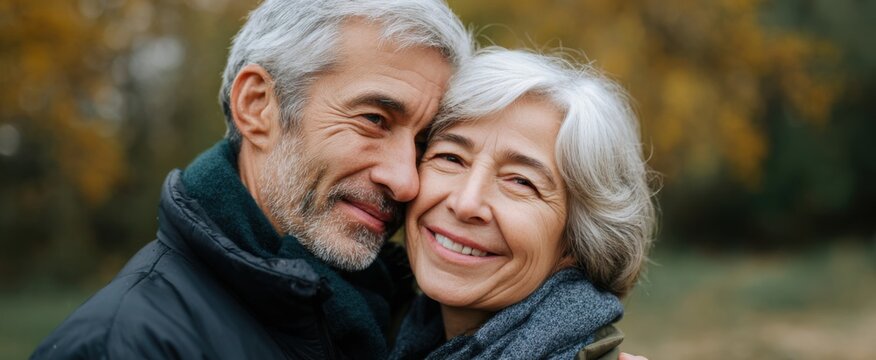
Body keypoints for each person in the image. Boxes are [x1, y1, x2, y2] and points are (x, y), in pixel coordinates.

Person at [32, 0, 471, 359]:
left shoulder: (407, 326)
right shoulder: (126, 346)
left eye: (421, 146)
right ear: (258, 106)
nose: (406, 182)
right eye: (374, 119)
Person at [389, 48, 657, 359]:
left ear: (579, 240)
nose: (465, 203)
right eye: (451, 158)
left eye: (521, 181)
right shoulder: (375, 328)